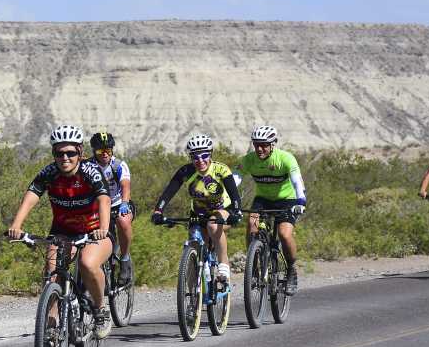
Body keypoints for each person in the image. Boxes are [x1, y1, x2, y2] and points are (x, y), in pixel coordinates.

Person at [7, 125, 113, 339]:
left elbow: (104, 199)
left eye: (70, 153)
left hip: (94, 232)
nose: (65, 158)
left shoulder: (91, 172)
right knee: (52, 275)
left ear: (80, 152)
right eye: (59, 153)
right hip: (63, 232)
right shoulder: (49, 173)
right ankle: (52, 328)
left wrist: (102, 228)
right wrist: (16, 225)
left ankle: (101, 309)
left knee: (87, 263)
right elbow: (31, 195)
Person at [150, 134, 243, 283]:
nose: (200, 161)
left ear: (210, 154)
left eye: (204, 155)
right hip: (198, 212)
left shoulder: (221, 169)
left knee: (213, 225)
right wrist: (158, 211)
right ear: (191, 157)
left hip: (223, 209)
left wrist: (237, 211)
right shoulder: (186, 171)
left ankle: (224, 266)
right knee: (194, 242)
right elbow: (168, 192)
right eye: (195, 157)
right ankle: (193, 296)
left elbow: (235, 195)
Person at [236, 125, 306, 295]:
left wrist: (301, 201)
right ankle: (253, 265)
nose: (259, 149)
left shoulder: (285, 158)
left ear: (273, 144)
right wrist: (226, 198)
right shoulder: (249, 160)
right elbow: (234, 178)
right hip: (263, 200)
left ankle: (291, 270)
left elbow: (297, 181)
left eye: (264, 145)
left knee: (284, 234)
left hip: (287, 200)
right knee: (252, 223)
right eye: (256, 144)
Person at [89, 131, 134, 284]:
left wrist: (124, 202)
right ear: (94, 151)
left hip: (118, 203)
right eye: (100, 150)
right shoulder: (88, 166)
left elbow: (125, 185)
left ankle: (125, 258)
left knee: (123, 221)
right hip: (98, 207)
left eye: (108, 150)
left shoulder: (118, 165)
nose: (105, 154)